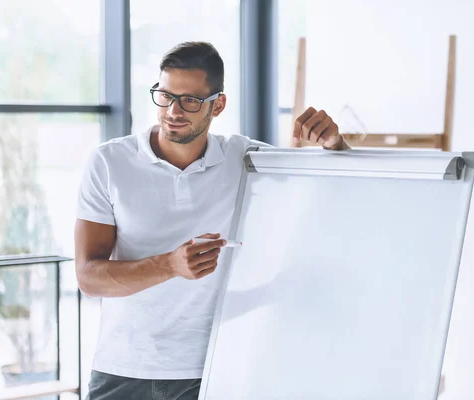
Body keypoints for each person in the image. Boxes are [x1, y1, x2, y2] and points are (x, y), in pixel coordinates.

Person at [75, 41, 350, 400]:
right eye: (165, 95)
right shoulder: (109, 162)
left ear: (217, 104)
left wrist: (334, 144)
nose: (173, 111)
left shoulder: (246, 159)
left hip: (216, 370)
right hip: (125, 370)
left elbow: (341, 191)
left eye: (189, 100)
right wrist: (170, 265)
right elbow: (88, 278)